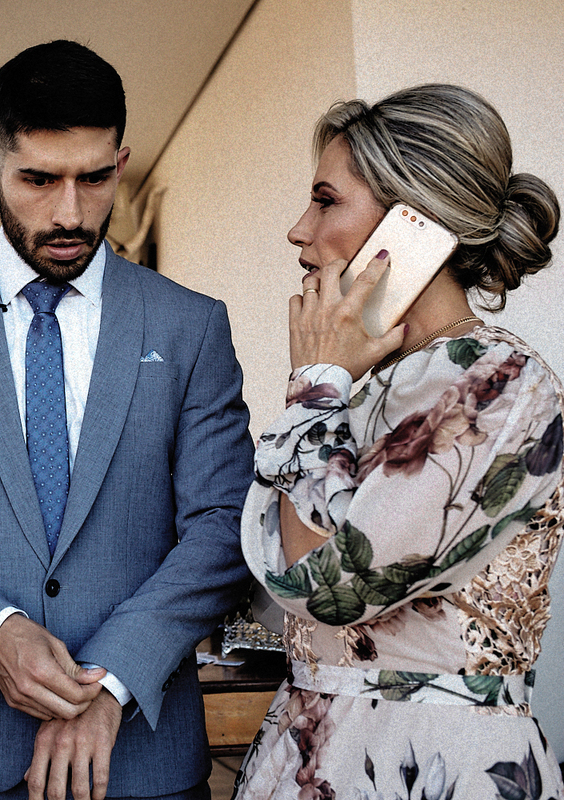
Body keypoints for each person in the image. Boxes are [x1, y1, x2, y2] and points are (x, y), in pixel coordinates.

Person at [0, 40, 254, 800]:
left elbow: (223, 526)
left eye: (94, 179)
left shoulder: (192, 326)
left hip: (143, 758)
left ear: (121, 164)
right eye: (38, 179)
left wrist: (114, 679)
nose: (70, 212)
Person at [235, 83, 564, 799]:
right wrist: (329, 384)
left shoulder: (503, 383)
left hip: (427, 765)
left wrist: (315, 385)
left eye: (326, 201)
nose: (298, 230)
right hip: (311, 753)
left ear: (415, 223)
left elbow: (326, 585)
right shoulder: (364, 386)